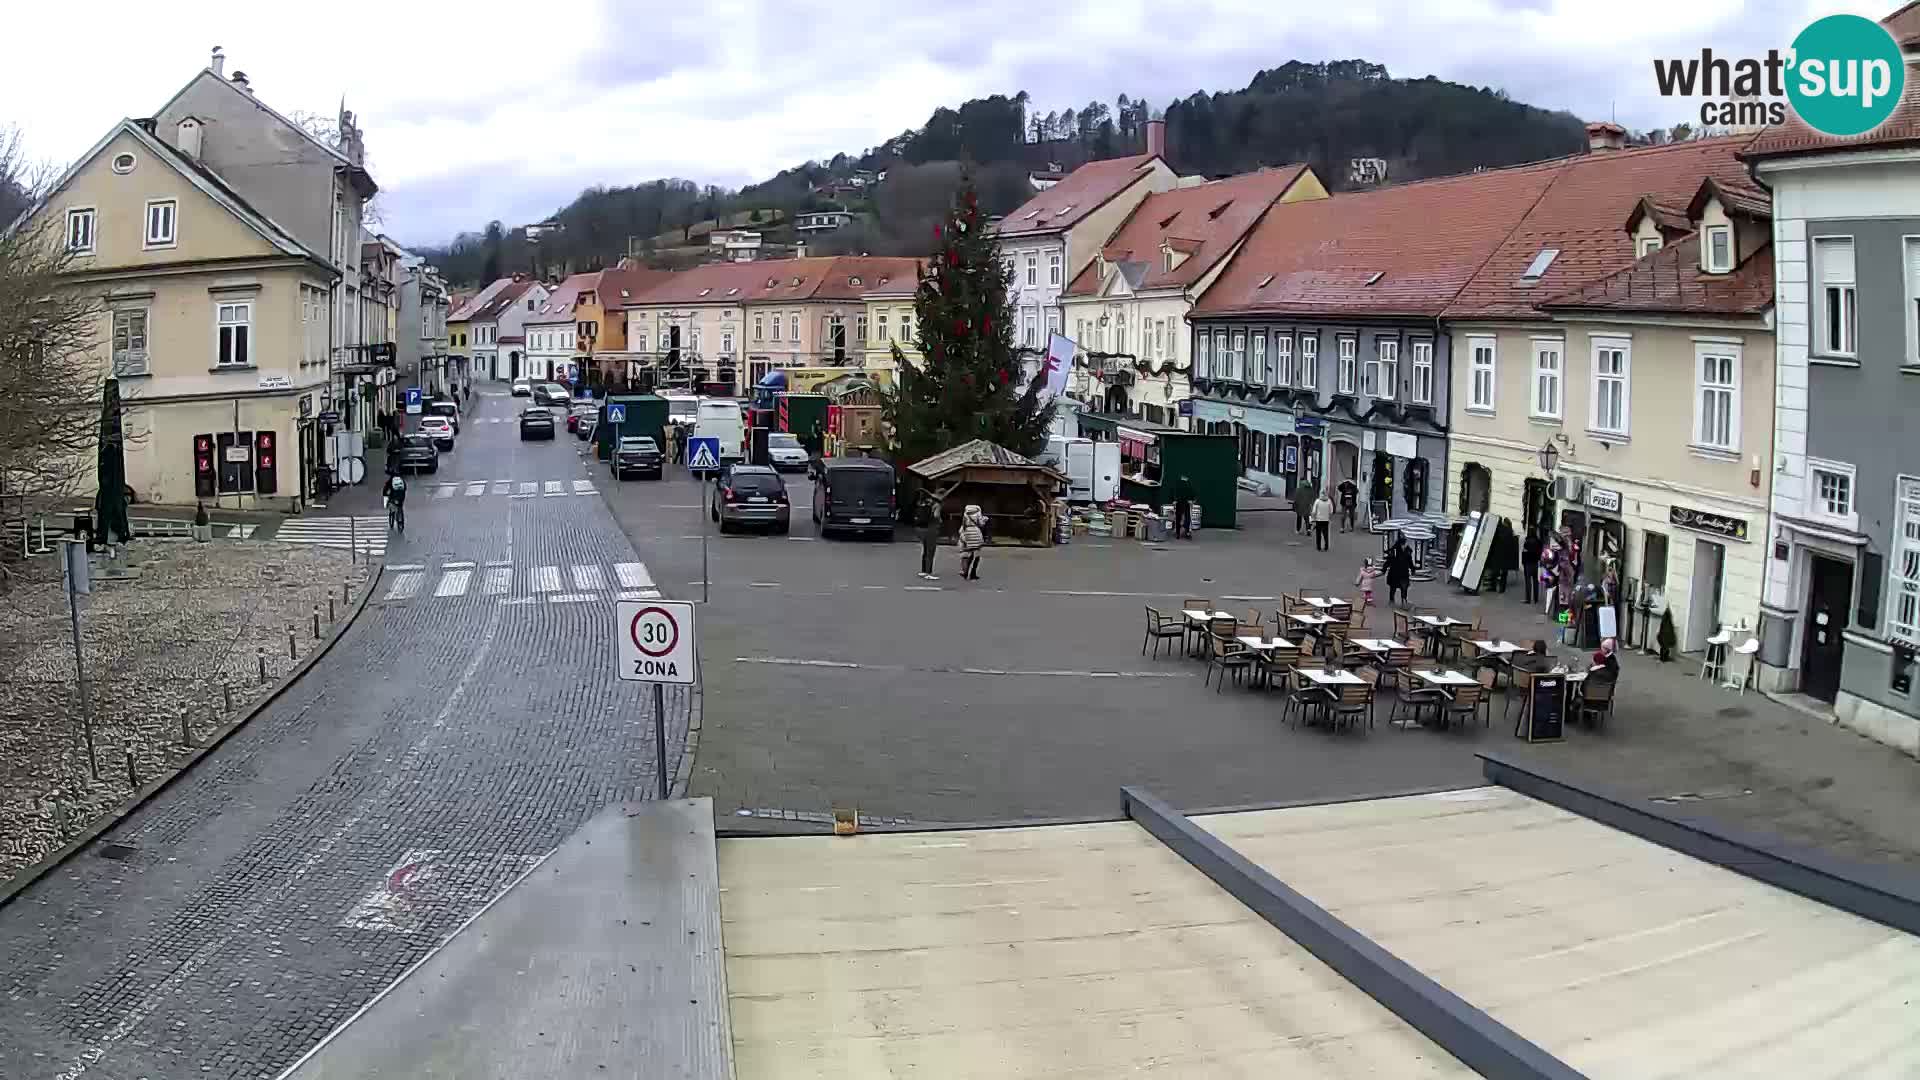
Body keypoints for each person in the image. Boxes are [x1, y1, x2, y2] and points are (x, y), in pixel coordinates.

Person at [958, 504, 987, 581]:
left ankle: (965, 571)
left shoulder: (966, 514)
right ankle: (973, 573)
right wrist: (984, 520)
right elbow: (981, 524)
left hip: (967, 533)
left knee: (968, 553)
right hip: (976, 533)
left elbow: (963, 524)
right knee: (977, 554)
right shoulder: (978, 513)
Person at [915, 493, 940, 581]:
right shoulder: (937, 506)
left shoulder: (926, 506)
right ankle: (928, 573)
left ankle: (923, 571)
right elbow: (936, 516)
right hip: (932, 530)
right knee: (930, 552)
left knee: (925, 551)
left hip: (925, 529)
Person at [1385, 538, 1415, 607]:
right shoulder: (1394, 551)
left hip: (1404, 574)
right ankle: (1391, 600)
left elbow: (1410, 561)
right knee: (1393, 588)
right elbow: (1388, 561)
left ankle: (1404, 601)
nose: (1404, 546)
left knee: (1404, 588)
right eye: (1403, 544)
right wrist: (1384, 569)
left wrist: (1412, 569)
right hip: (1394, 573)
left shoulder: (1407, 551)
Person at [1522, 526, 1544, 605]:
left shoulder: (1527, 541)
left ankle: (1528, 599)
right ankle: (1536, 599)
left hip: (1528, 563)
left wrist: (1523, 562)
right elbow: (1541, 552)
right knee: (1536, 581)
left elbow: (1524, 553)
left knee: (1528, 582)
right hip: (1536, 563)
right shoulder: (1539, 541)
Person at [1172, 476, 1193, 540]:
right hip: (1181, 502)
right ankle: (1180, 533)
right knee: (1182, 518)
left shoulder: (1185, 485)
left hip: (1184, 502)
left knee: (1185, 518)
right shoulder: (1180, 485)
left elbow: (1191, 493)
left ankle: (1185, 532)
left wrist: (1191, 500)